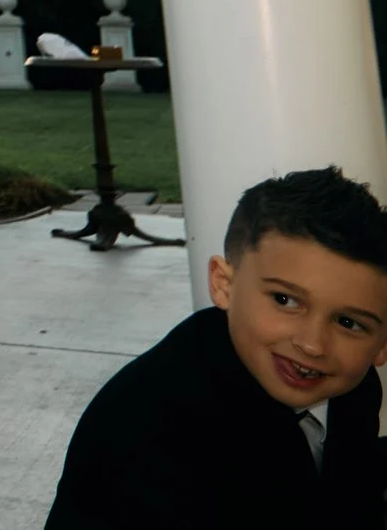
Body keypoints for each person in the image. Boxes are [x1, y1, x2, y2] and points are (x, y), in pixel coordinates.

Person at [46, 168, 387, 528]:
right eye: (285, 300)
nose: (312, 344)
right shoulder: (145, 430)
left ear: (382, 344)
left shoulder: (353, 386)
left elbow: (347, 488)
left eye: (349, 323)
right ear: (224, 284)